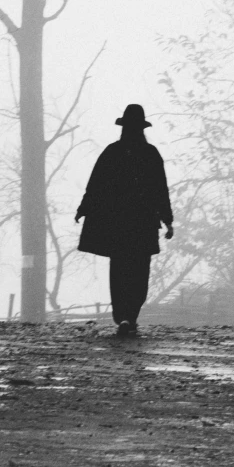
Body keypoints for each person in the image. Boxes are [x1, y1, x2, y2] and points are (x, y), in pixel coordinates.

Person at [74, 103, 173, 337]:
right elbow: (161, 190)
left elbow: (95, 185)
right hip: (142, 225)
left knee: (119, 271)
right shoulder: (150, 154)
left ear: (125, 128)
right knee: (138, 271)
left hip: (118, 225)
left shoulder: (112, 152)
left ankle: (124, 318)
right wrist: (167, 220)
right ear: (142, 128)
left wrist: (84, 208)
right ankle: (129, 316)